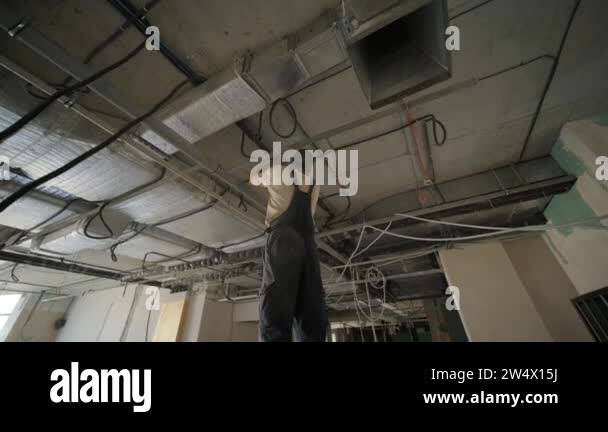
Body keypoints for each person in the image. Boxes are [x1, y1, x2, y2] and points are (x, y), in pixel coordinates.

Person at [252, 163, 328, 342]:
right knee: (311, 303)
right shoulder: (314, 183)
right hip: (308, 243)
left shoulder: (278, 171)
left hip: (284, 238)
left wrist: (265, 167)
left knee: (277, 298)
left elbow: (254, 178)